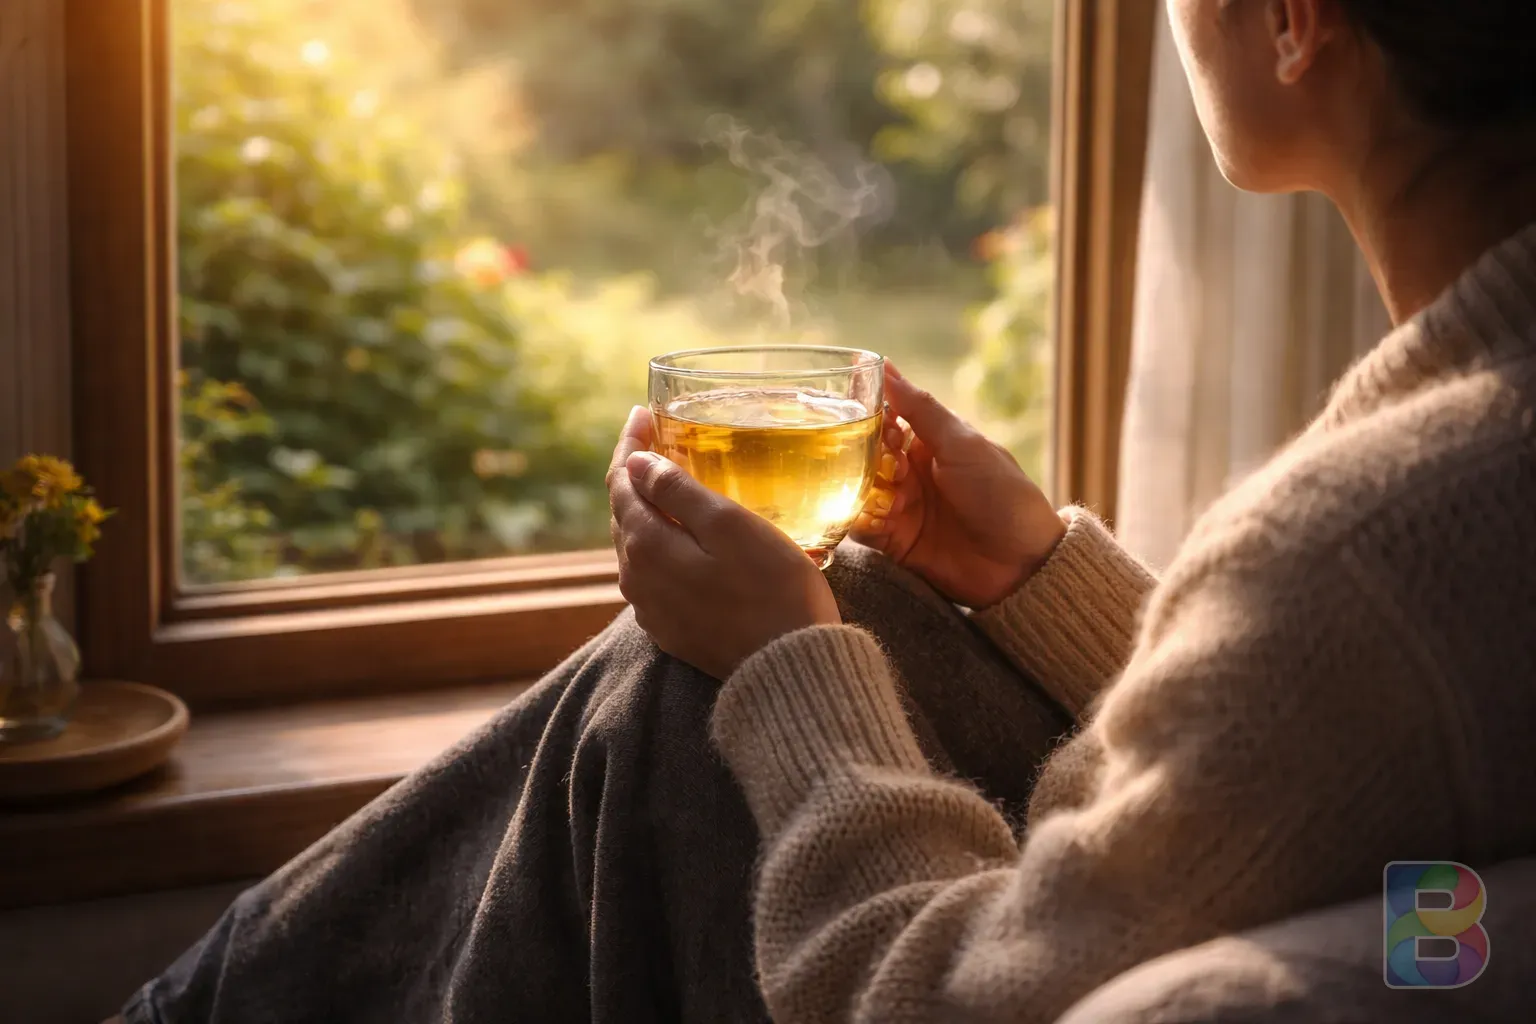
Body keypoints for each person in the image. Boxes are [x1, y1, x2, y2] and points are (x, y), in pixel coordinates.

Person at [122, 0, 1536, 1020]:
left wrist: (785, 673)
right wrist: (1037, 578)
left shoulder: (1371, 542)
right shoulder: (1445, 498)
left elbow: (949, 1001)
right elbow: (1361, 805)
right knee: (860, 605)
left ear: (1294, 22)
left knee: (695, 702)